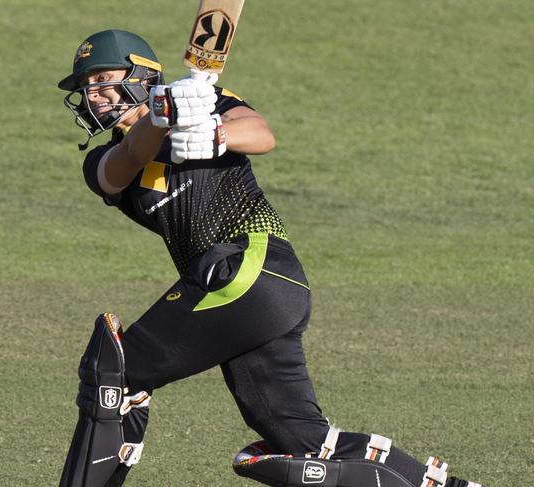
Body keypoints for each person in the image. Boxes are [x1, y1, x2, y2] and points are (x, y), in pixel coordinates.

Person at [57, 29, 487, 487]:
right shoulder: (104, 158)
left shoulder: (207, 101)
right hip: (247, 295)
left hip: (250, 264)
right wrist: (163, 115)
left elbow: (262, 135)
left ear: (142, 74)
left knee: (114, 371)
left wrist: (214, 131)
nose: (93, 94)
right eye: (87, 86)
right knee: (304, 443)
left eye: (103, 78)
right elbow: (122, 164)